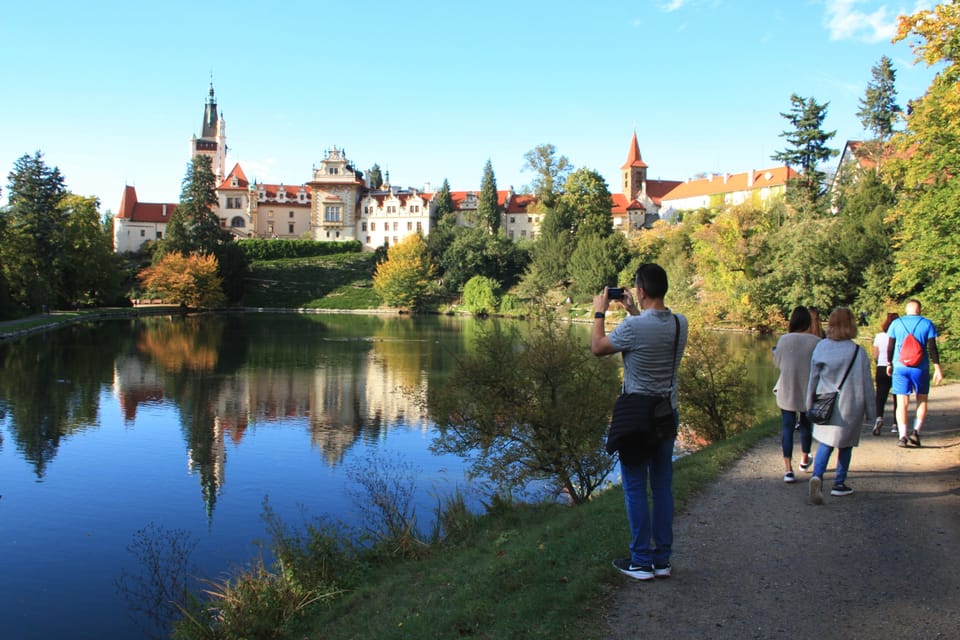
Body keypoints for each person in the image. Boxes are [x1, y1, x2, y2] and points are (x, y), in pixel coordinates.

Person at [592, 263, 689, 581]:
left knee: (635, 487)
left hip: (637, 417)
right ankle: (662, 560)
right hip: (666, 415)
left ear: (642, 291)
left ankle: (640, 561)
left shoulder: (634, 329)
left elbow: (598, 348)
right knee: (662, 487)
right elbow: (652, 334)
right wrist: (634, 311)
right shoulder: (680, 324)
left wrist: (599, 313)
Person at [807, 307, 876, 504]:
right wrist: (872, 412)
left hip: (824, 404)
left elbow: (813, 378)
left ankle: (817, 477)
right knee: (845, 445)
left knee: (825, 443)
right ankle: (839, 483)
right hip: (850, 405)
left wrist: (808, 402)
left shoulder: (821, 347)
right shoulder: (858, 351)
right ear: (851, 324)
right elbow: (867, 383)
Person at [772, 306, 822, 483]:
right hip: (807, 390)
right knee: (806, 425)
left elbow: (777, 364)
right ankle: (804, 458)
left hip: (787, 389)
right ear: (808, 322)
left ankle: (788, 469)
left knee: (787, 427)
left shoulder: (784, 340)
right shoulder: (816, 342)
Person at [886, 300, 943, 448]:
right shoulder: (927, 324)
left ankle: (902, 436)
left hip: (900, 366)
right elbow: (932, 348)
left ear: (907, 310)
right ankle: (916, 432)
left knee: (902, 403)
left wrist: (889, 363)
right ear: (919, 310)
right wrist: (937, 368)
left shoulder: (896, 323)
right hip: (920, 367)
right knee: (922, 400)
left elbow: (890, 345)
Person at [872, 312, 899, 436]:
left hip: (882, 367)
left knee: (880, 396)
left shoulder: (879, 336)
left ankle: (879, 417)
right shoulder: (899, 335)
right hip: (896, 367)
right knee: (897, 396)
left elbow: (875, 355)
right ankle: (895, 424)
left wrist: (878, 361)